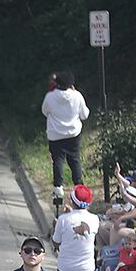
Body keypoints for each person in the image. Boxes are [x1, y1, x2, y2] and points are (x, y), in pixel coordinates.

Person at [42, 70, 90, 204]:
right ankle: (78, 186)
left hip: (55, 134)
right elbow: (85, 115)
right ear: (71, 84)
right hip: (73, 133)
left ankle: (58, 187)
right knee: (74, 159)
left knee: (58, 160)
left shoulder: (50, 97)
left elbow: (45, 111)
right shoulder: (77, 96)